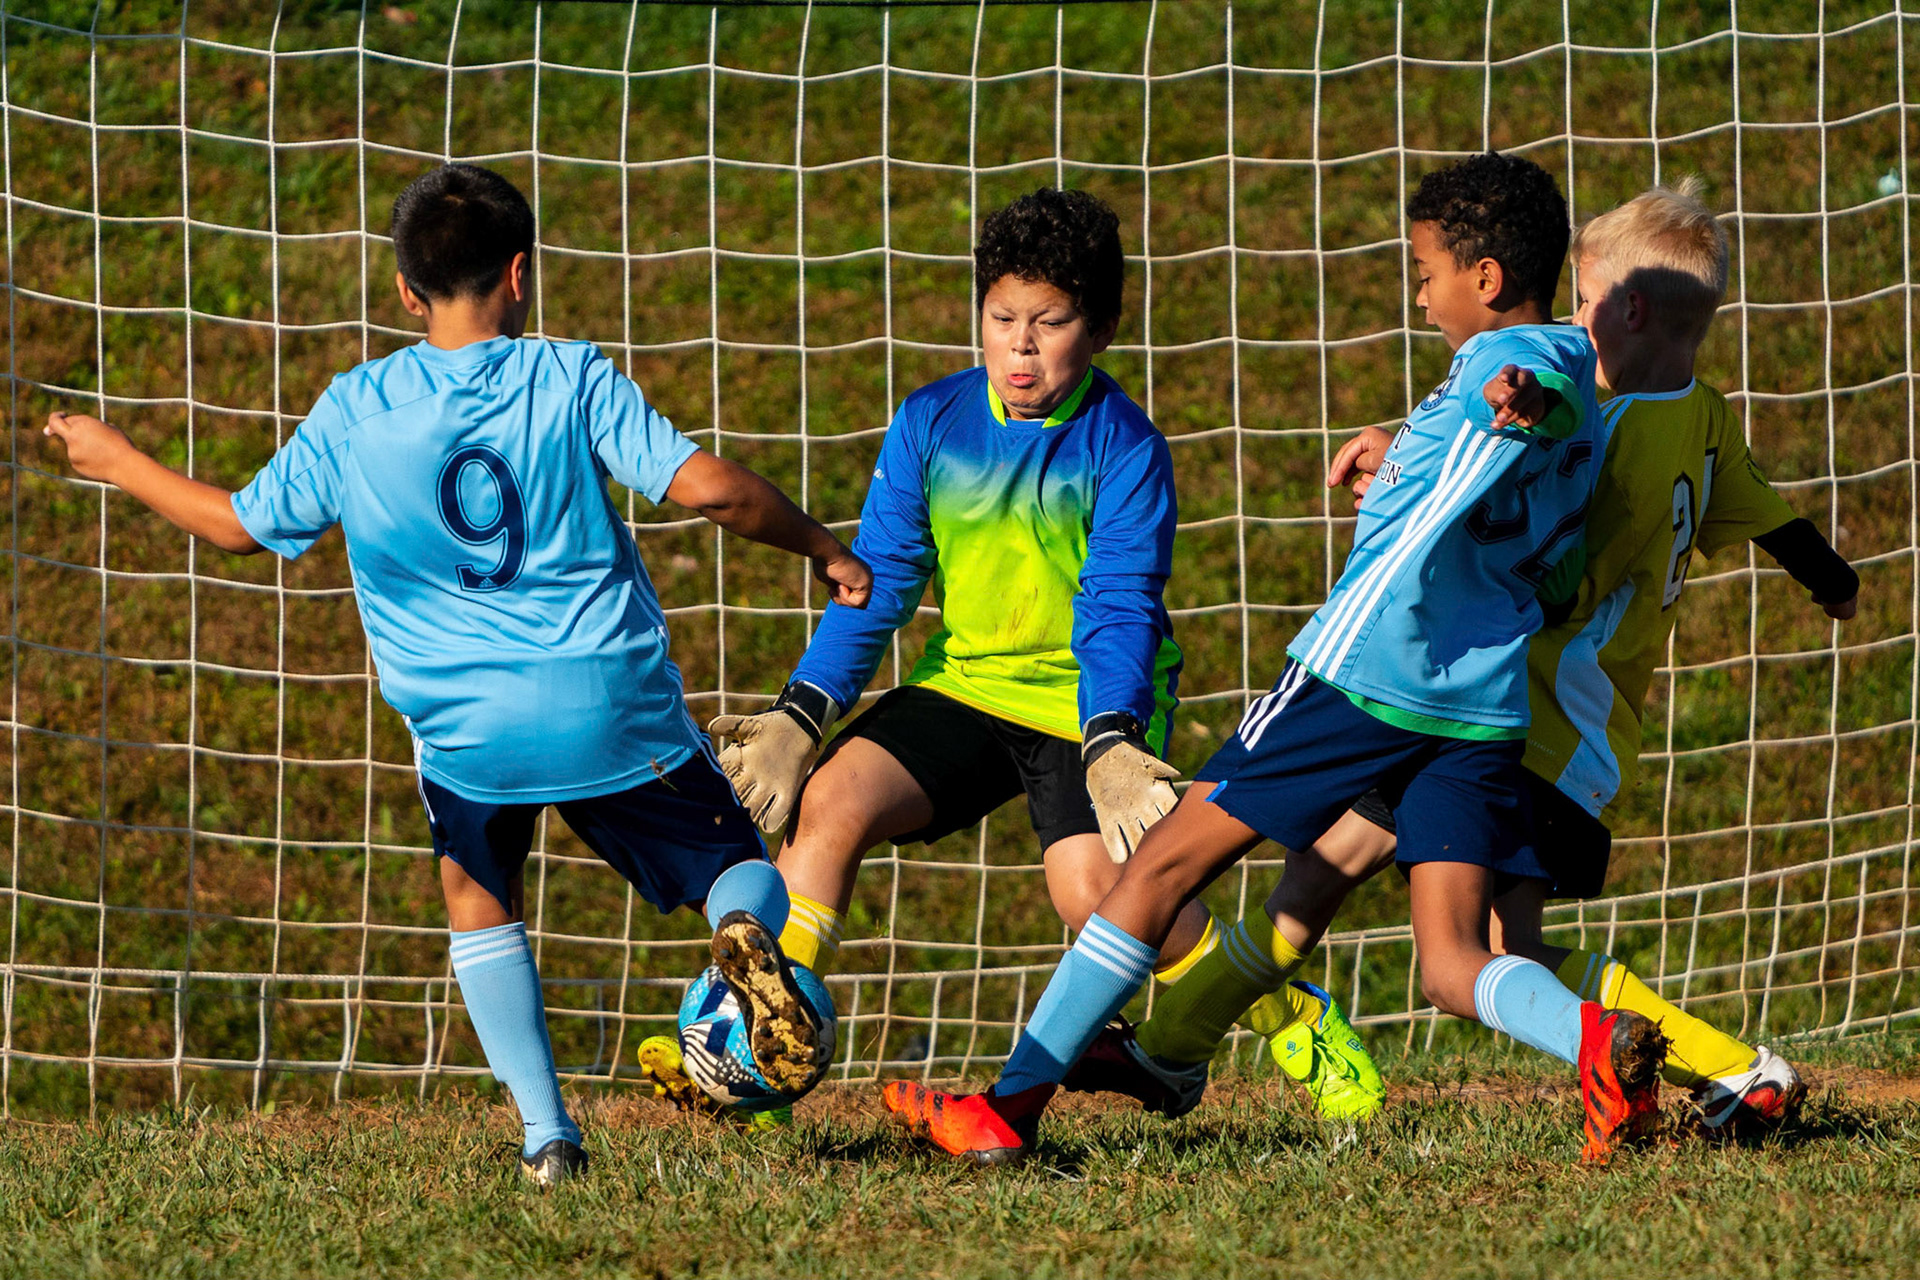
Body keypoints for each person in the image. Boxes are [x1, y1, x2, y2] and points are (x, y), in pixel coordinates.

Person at [41, 163, 871, 1187]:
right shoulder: (568, 374)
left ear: (403, 290)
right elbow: (710, 492)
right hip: (605, 699)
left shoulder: (357, 406)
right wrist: (821, 546)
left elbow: (240, 526)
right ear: (520, 275)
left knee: (476, 890)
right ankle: (737, 928)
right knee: (730, 859)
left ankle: (547, 1136)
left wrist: (119, 459)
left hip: (468, 728)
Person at [883, 151, 1665, 1168]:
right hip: (1478, 702)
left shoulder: (1517, 370)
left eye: (1425, 269)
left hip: (1363, 674)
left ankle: (1009, 1106)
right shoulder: (1575, 397)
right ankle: (1594, 1040)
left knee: (1158, 863)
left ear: (1482, 277)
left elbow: (1522, 402)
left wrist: (1518, 401)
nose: (1419, 293)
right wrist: (1410, 450)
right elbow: (1524, 500)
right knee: (1453, 956)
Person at [1109, 179, 1859, 1133]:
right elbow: (1803, 547)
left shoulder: (1601, 423)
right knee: (1378, 892)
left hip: (1501, 709)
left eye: (1579, 301)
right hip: (1587, 729)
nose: (1569, 323)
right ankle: (1171, 1046)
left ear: (1624, 310)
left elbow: (1534, 551)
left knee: (1439, 930)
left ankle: (1731, 1066)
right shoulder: (1708, 423)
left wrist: (1429, 470)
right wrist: (1836, 588)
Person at [670, 187, 1315, 1076]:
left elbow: (1119, 604)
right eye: (1001, 315)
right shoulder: (931, 421)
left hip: (1083, 704)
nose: (1019, 343)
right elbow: (880, 583)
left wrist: (1114, 741)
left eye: (1048, 322)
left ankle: (1290, 1016)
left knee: (1093, 895)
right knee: (828, 802)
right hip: (967, 685)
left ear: (1098, 331)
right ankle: (761, 1053)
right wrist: (800, 716)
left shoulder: (1125, 447)